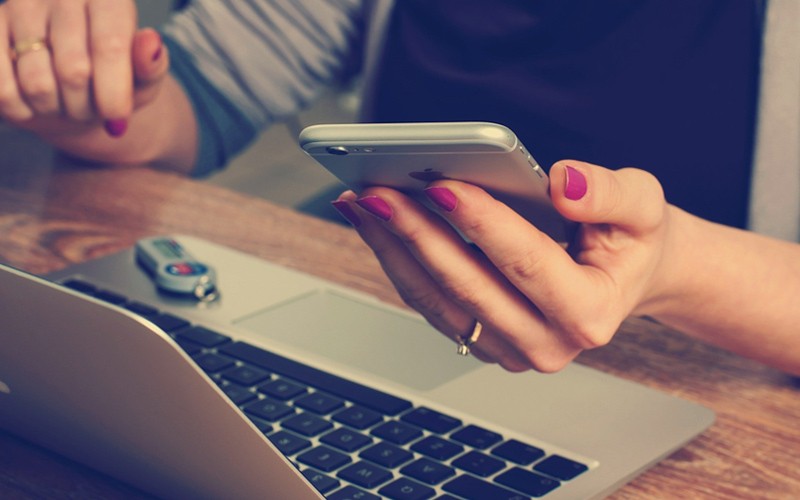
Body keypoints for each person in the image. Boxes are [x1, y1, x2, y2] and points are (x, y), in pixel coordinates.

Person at [1, 0, 798, 376]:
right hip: (385, 351)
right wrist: (95, 95)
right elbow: (205, 93)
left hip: (719, 403)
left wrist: (677, 267)